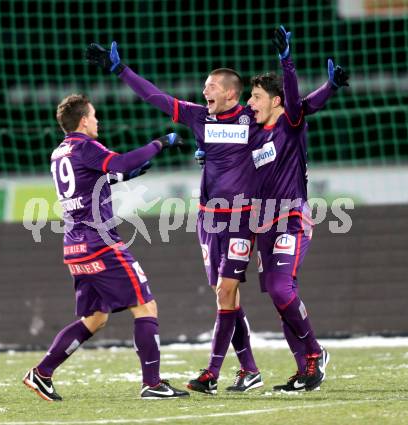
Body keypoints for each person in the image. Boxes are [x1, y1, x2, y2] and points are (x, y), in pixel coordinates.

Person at [86, 43, 264, 394]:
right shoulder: (201, 117)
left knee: (227, 290)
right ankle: (249, 370)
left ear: (230, 92)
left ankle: (212, 373)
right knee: (224, 294)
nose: (204, 91)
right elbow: (155, 97)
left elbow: (284, 133)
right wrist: (121, 70)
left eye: (211, 86)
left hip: (243, 218)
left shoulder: (253, 119)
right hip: (209, 219)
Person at [23, 93, 189, 401]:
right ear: (83, 120)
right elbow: (121, 161)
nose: (98, 121)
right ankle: (152, 383)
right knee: (145, 306)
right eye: (95, 116)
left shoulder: (59, 153)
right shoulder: (86, 146)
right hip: (100, 243)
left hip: (74, 245)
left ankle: (42, 372)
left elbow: (90, 181)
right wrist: (160, 143)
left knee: (96, 318)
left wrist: (125, 176)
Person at [247, 26, 349, 392]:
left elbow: (298, 101)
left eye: (257, 96)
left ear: (275, 101)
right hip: (263, 224)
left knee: (279, 288)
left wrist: (286, 60)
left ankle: (314, 353)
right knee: (280, 297)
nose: (251, 102)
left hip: (292, 217)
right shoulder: (255, 134)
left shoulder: (290, 124)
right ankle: (306, 369)